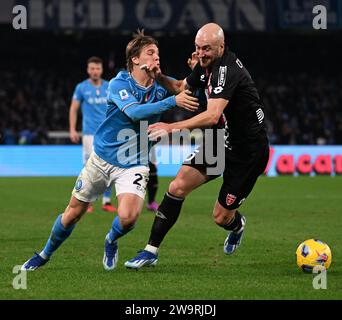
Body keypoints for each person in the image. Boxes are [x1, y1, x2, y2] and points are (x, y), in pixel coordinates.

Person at [21, 30, 199, 271]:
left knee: (129, 218)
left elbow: (187, 90)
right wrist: (171, 102)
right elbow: (134, 112)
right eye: (150, 53)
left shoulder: (162, 86)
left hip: (134, 162)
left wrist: (198, 70)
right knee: (73, 213)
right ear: (135, 59)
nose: (157, 57)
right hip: (101, 159)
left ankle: (111, 239)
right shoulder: (119, 83)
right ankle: (44, 254)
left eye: (157, 53)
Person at [125, 23, 269, 269]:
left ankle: (236, 225)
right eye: (198, 48)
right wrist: (158, 77)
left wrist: (171, 128)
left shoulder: (226, 70)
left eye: (207, 49)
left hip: (248, 152)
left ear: (221, 47)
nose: (201, 54)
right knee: (177, 186)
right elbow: (183, 88)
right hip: (221, 140)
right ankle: (150, 251)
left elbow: (212, 115)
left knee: (221, 217)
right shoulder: (206, 67)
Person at [69, 56, 116, 213]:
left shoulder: (109, 86)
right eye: (92, 68)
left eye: (97, 68)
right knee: (89, 168)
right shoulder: (81, 88)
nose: (95, 71)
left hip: (108, 133)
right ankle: (87, 202)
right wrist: (72, 129)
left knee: (111, 166)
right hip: (89, 134)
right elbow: (74, 109)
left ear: (101, 70)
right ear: (88, 70)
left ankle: (107, 201)